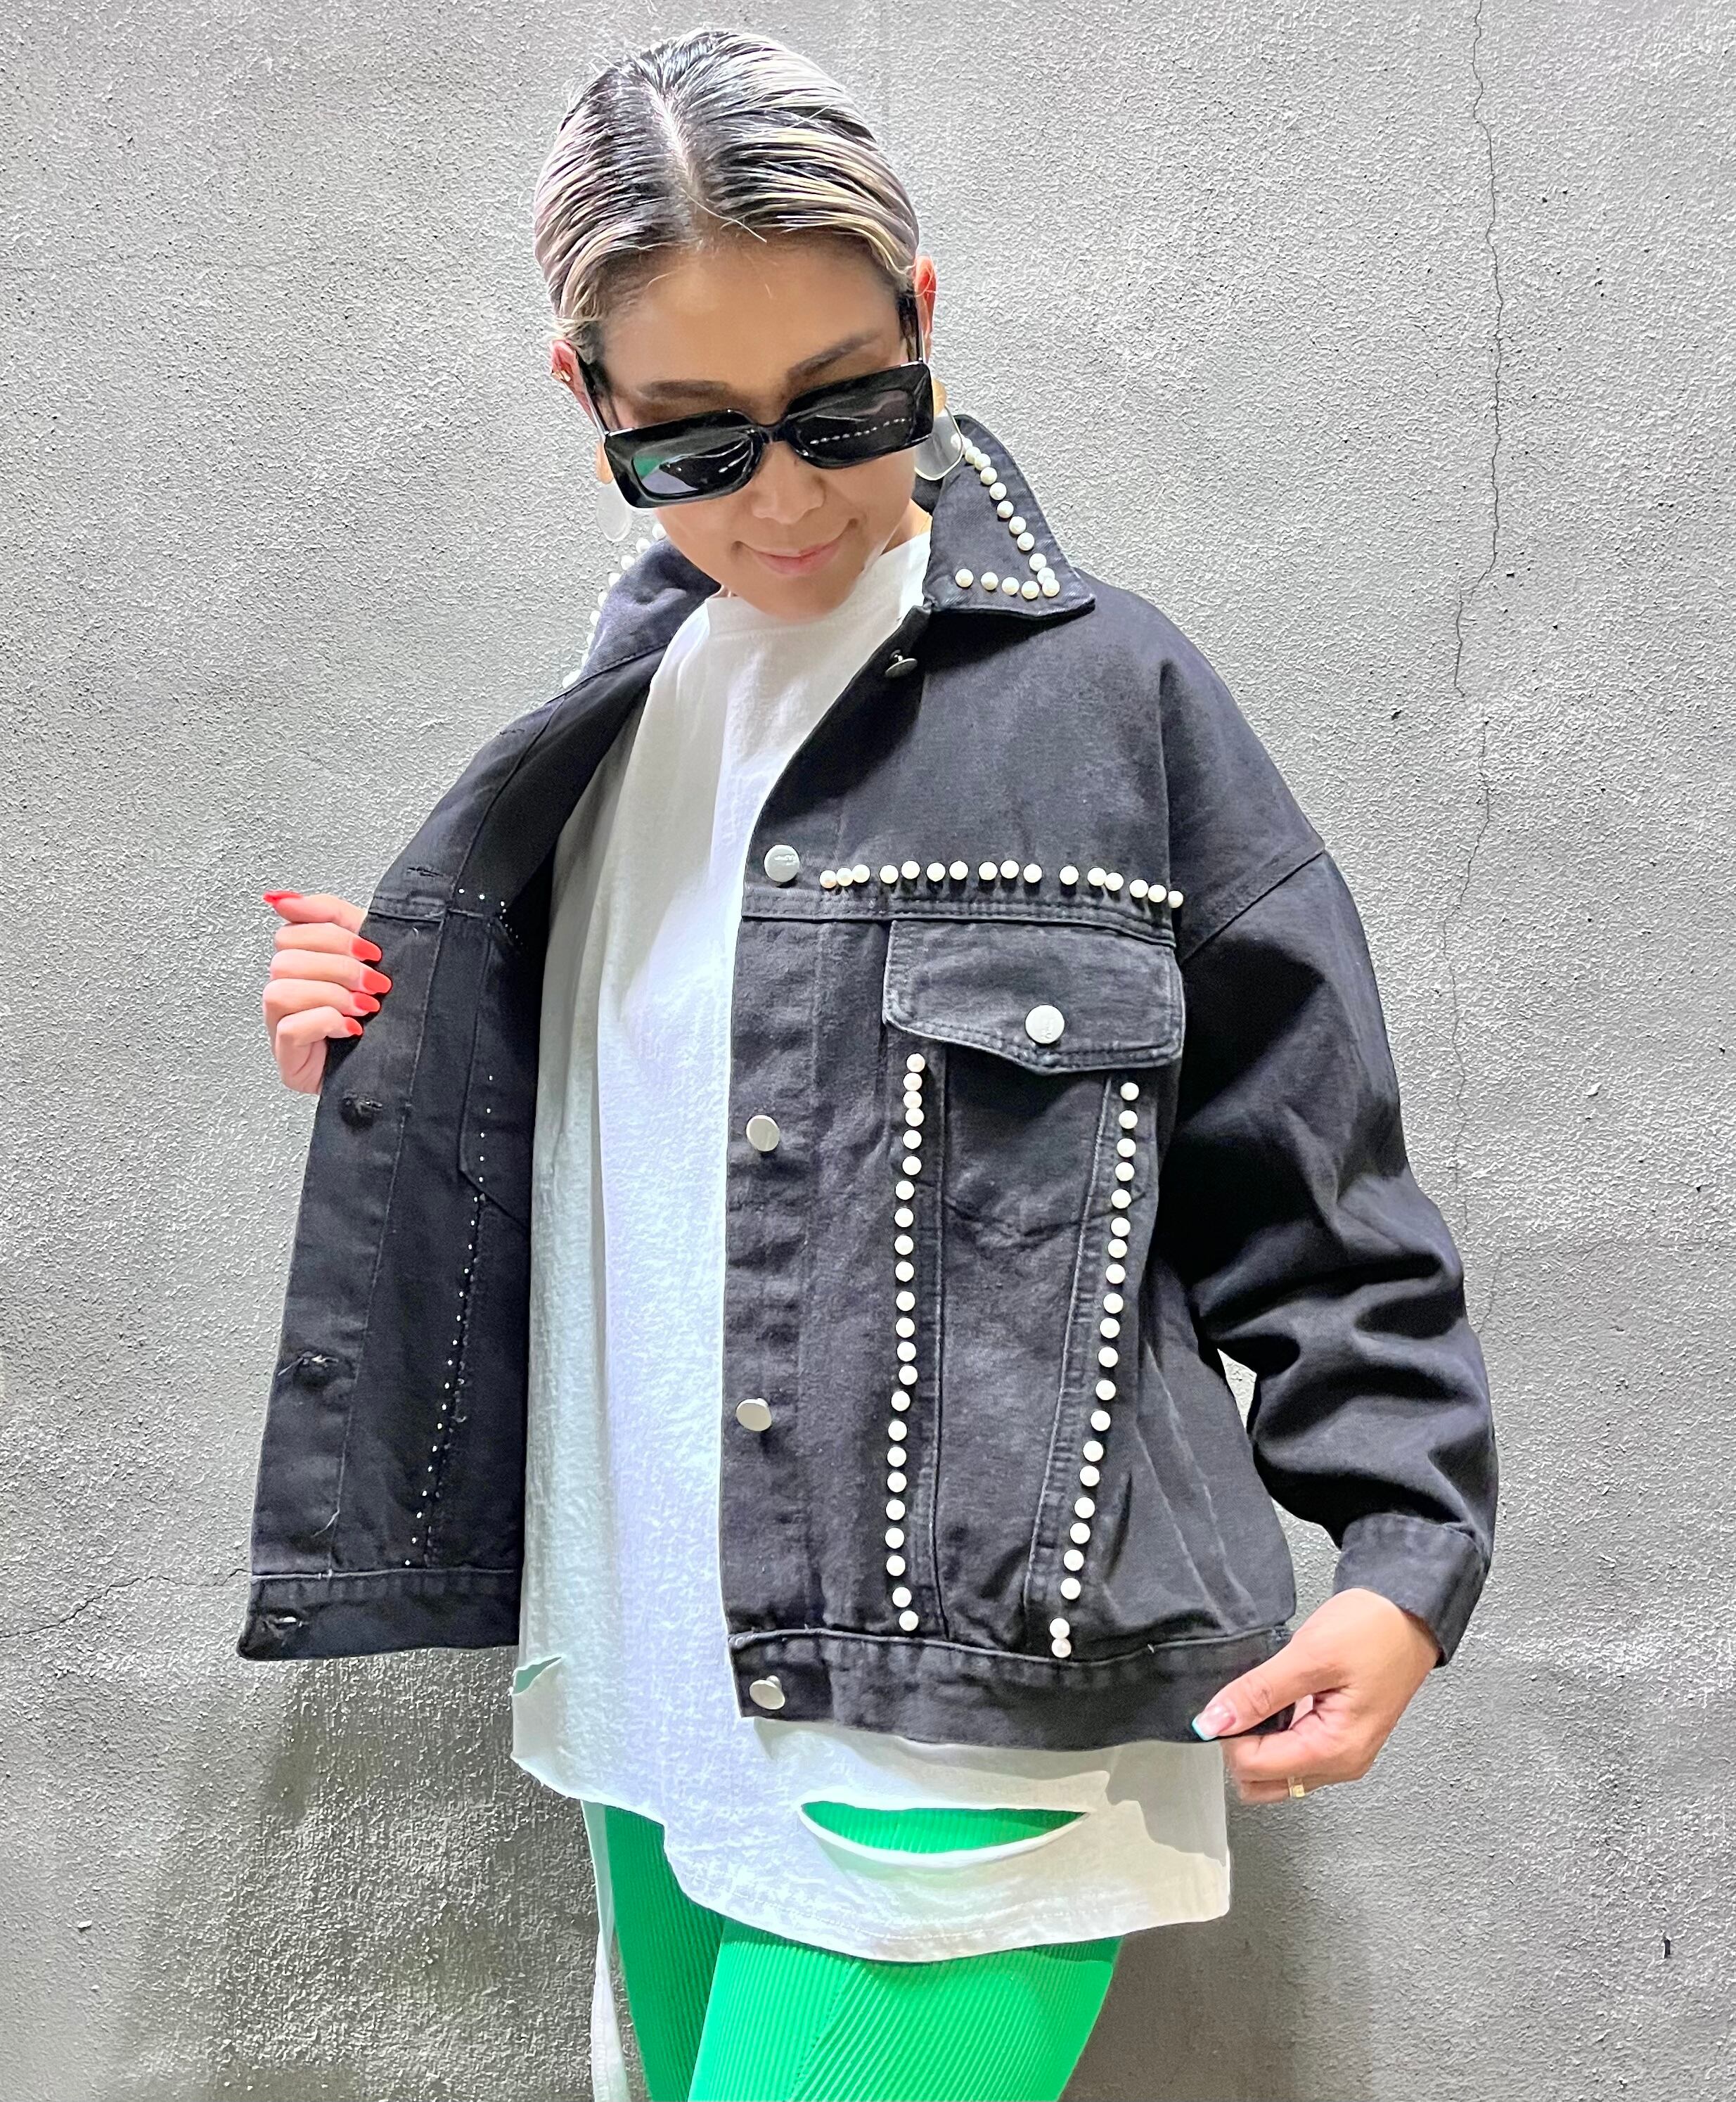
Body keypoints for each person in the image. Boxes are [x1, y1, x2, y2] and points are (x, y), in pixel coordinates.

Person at [247, 26, 1498, 2102]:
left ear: (921, 319)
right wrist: (393, 1040)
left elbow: (1310, 1173)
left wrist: (1409, 1555)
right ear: (590, 402)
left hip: (958, 1720)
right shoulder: (614, 718)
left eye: (846, 408)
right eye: (692, 443)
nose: (786, 493)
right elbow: (661, 1145)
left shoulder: (1106, 698)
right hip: (649, 1691)